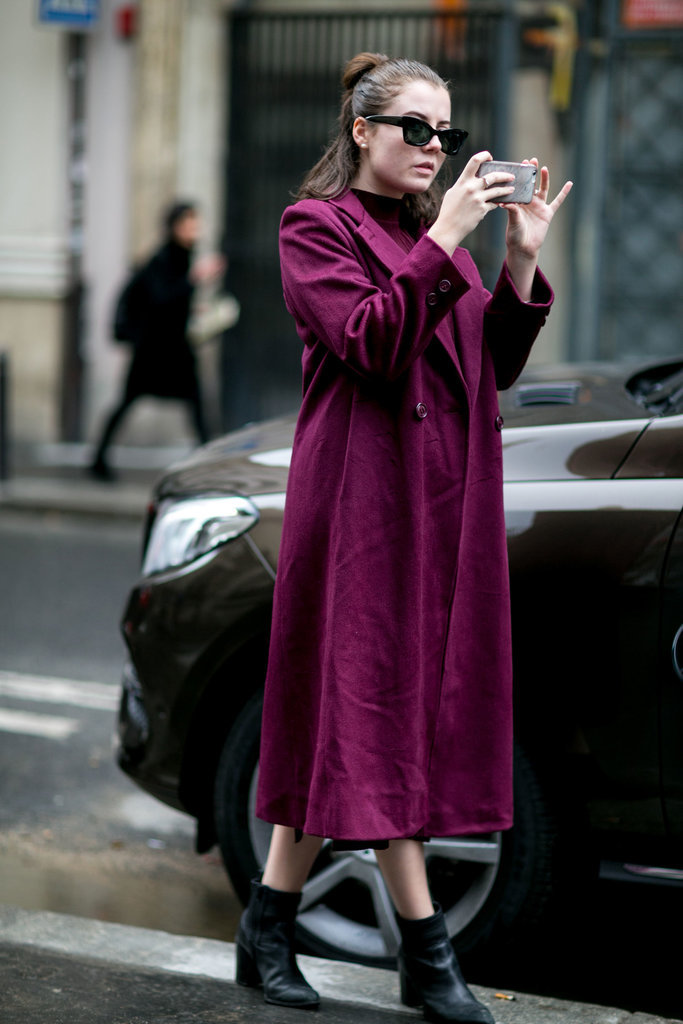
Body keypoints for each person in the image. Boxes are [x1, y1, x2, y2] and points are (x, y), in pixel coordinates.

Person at [235, 53, 572, 1022]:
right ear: (360, 132)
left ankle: (266, 927)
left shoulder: (446, 242)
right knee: (377, 721)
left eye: (446, 134)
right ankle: (429, 960)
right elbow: (374, 343)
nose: (433, 149)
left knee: (365, 722)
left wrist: (515, 258)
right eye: (414, 130)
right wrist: (452, 239)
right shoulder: (316, 227)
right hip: (361, 512)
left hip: (440, 509)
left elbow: (487, 365)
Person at [89, 201, 224, 481]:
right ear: (174, 227)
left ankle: (209, 465)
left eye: (195, 223)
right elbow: (161, 299)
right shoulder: (162, 258)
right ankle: (98, 460)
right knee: (127, 402)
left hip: (175, 350)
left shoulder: (183, 255)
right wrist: (195, 279)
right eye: (189, 223)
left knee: (197, 405)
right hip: (153, 351)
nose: (194, 229)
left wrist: (194, 306)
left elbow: (173, 301)